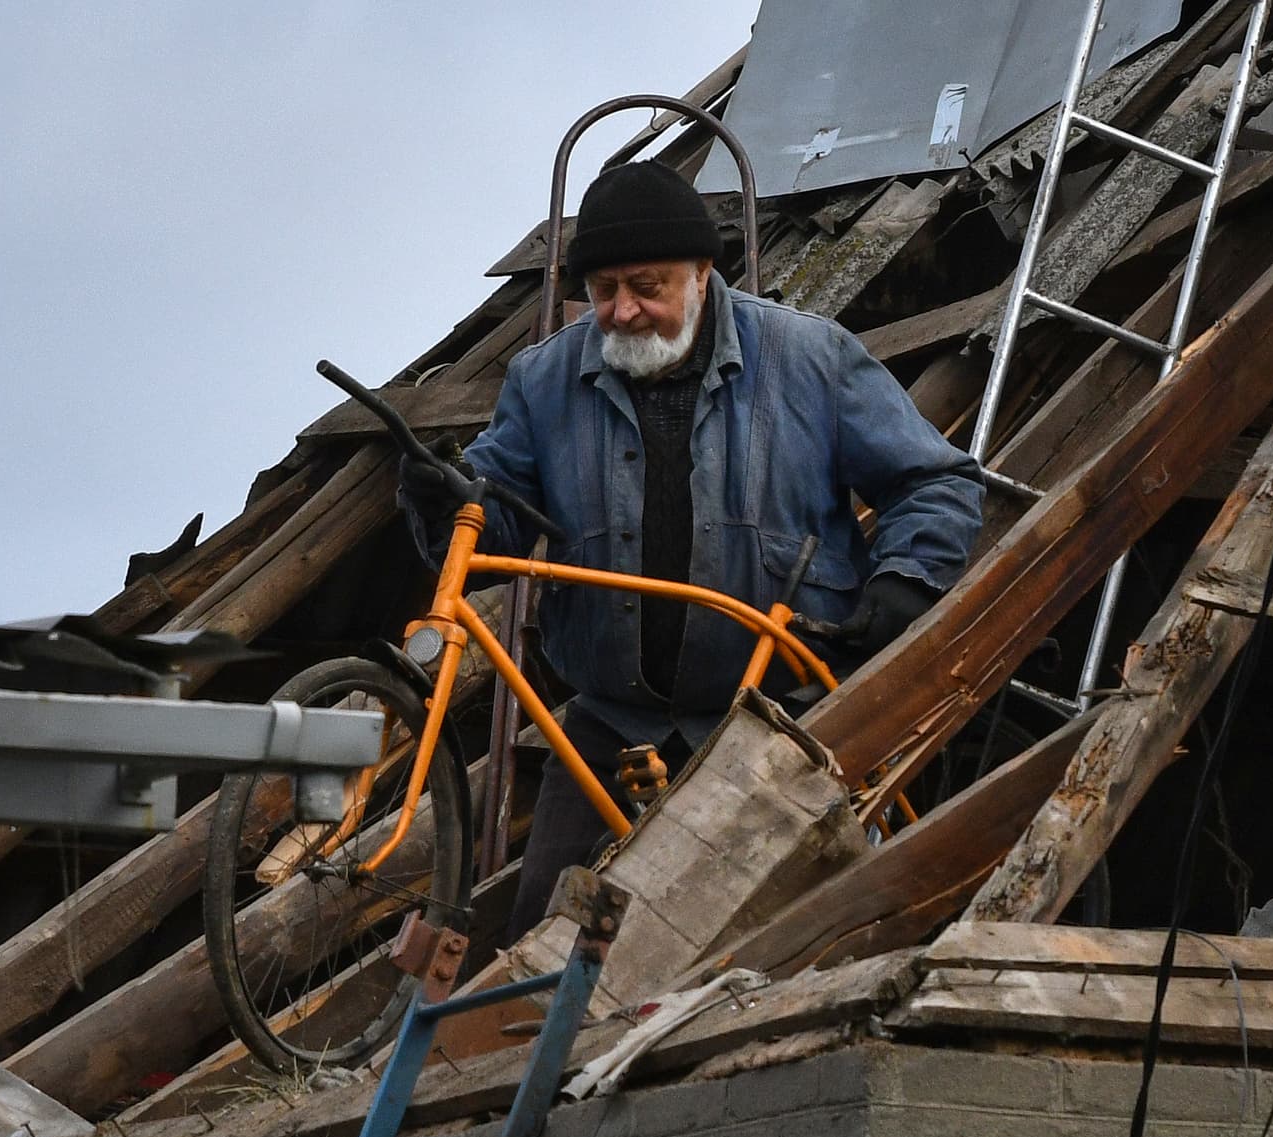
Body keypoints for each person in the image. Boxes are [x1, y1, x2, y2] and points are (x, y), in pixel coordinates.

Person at [399, 160, 984, 940]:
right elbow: (493, 513)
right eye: (603, 291)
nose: (623, 311)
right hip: (611, 727)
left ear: (703, 273)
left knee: (784, 943)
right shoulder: (542, 381)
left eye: (647, 287)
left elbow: (935, 480)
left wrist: (906, 578)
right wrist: (447, 500)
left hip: (777, 720)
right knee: (540, 941)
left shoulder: (809, 359)